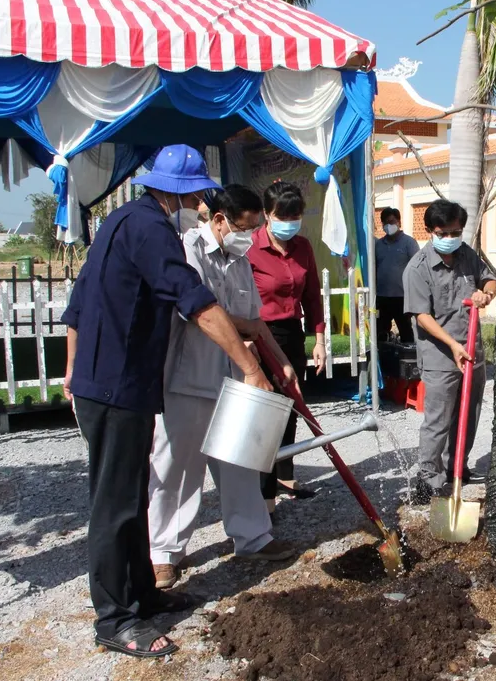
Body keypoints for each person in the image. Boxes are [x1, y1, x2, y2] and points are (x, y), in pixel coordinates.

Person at [61, 145, 274, 659]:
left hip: (111, 382)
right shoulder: (154, 230)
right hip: (115, 385)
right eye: (200, 191)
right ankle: (114, 619)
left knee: (133, 497)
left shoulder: (119, 221)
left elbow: (78, 300)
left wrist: (71, 370)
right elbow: (193, 298)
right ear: (191, 192)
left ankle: (142, 595)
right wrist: (251, 368)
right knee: (114, 506)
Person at [148, 184, 299, 592]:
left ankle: (252, 536)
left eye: (255, 228)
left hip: (234, 377)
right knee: (177, 466)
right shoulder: (187, 250)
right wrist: (246, 331)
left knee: (240, 461)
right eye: (244, 228)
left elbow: (252, 320)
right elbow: (202, 312)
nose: (249, 236)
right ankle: (164, 553)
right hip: (188, 377)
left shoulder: (241, 260)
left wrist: (280, 361)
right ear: (219, 221)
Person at [402, 199, 496, 505]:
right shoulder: (417, 268)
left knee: (469, 414)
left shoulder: (466, 255)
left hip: (473, 351)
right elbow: (422, 316)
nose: (450, 238)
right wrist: (453, 344)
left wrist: (486, 294)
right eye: (443, 232)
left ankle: (458, 466)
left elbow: (491, 278)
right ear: (430, 231)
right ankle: (428, 478)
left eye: (456, 231)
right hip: (441, 355)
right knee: (438, 419)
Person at [247, 181, 326, 507]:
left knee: (292, 408)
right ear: (267, 214)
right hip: (260, 337)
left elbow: (311, 295)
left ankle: (285, 475)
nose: (290, 223)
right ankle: (262, 493)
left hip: (293, 334)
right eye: (283, 216)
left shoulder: (302, 247)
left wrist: (319, 337)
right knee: (265, 413)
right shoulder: (250, 247)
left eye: (295, 216)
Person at [374, 207, 420, 344]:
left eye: (392, 222)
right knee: (380, 333)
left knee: (406, 332)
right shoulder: (378, 245)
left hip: (402, 298)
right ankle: (384, 359)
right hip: (382, 297)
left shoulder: (409, 243)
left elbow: (417, 269)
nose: (389, 226)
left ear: (399, 222)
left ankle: (408, 360)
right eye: (385, 223)